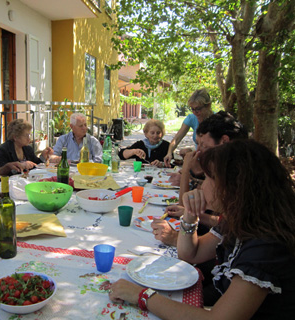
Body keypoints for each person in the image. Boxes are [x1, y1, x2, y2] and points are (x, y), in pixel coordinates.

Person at [110, 140, 295, 318]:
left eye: (208, 178)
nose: (202, 185)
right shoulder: (240, 219)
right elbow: (190, 253)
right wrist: (190, 215)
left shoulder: (265, 245)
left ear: (233, 187)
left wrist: (143, 295)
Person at [152, 111, 248, 246]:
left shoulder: (241, 177)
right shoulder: (227, 169)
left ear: (224, 141)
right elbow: (223, 222)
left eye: (204, 145)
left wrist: (186, 171)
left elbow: (198, 250)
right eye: (198, 144)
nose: (199, 151)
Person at [163, 89, 213, 167]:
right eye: (192, 109)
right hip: (198, 161)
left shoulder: (217, 120)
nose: (195, 112)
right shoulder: (192, 118)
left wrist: (192, 151)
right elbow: (176, 139)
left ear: (208, 105)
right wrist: (169, 153)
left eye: (198, 109)